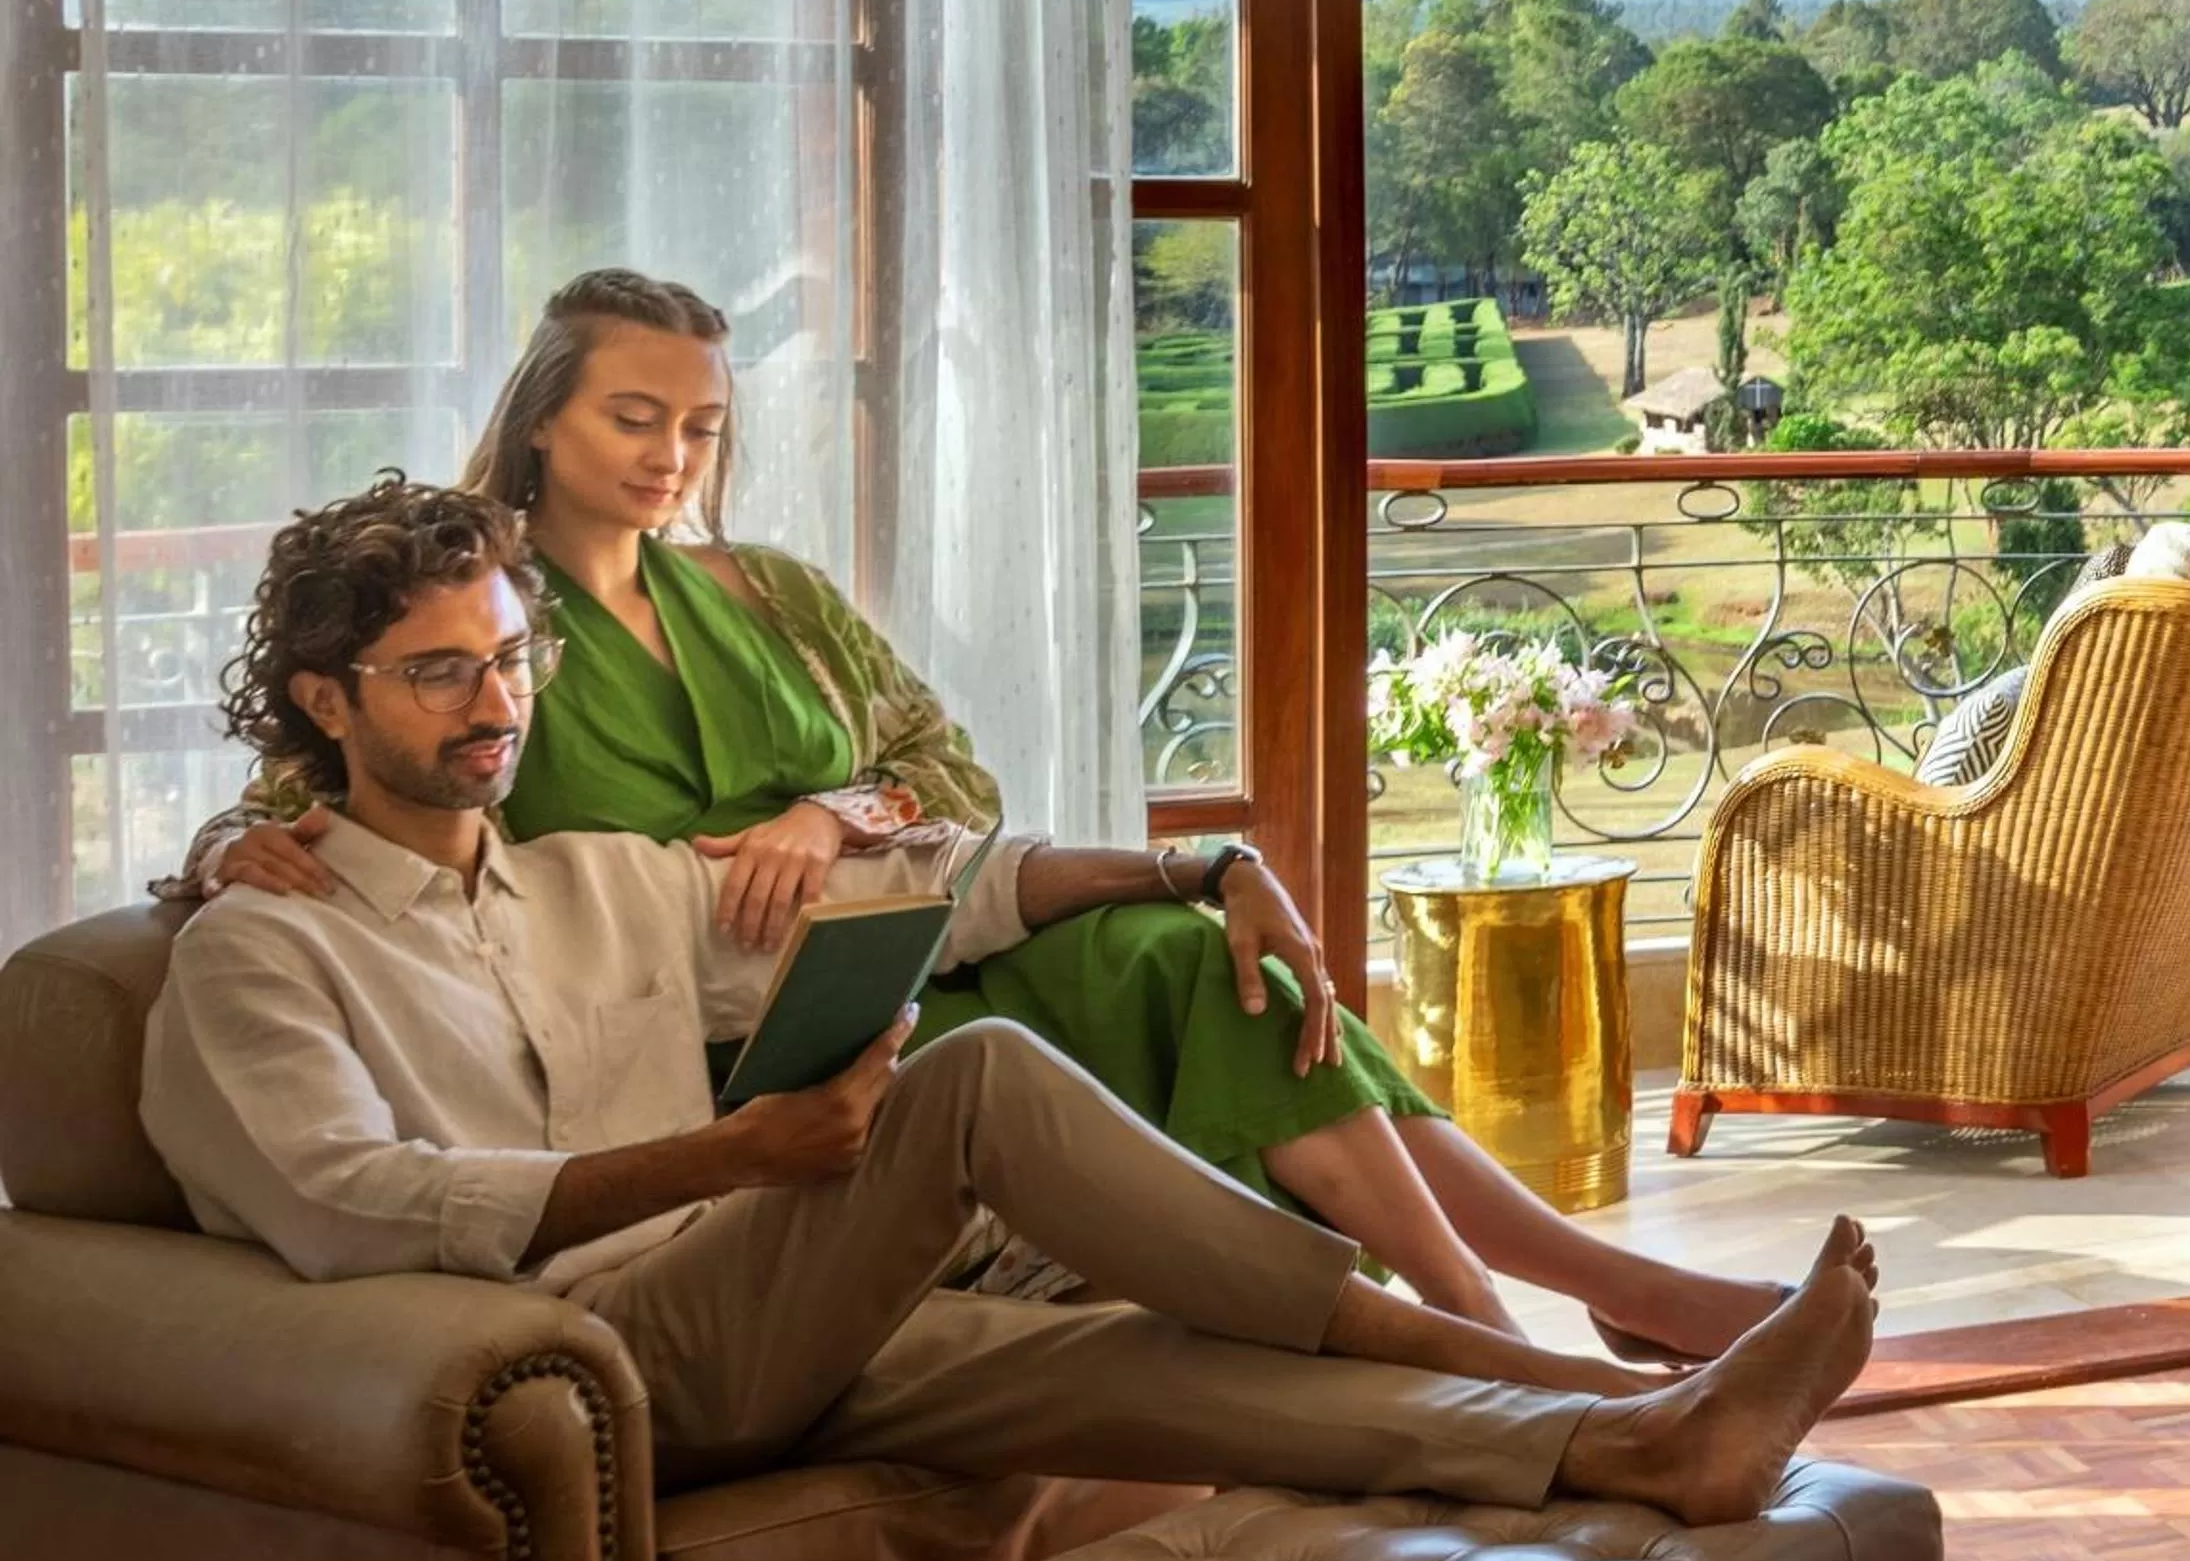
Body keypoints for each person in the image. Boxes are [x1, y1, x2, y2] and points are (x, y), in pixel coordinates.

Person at [139, 477, 1877, 1524]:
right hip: (598, 1364)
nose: (494, 703)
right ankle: (1522, 1355)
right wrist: (737, 1157)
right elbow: (354, 1205)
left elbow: (936, 886)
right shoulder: (262, 945)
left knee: (1155, 1367)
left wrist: (1189, 866)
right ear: (324, 699)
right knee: (972, 1079)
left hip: (781, 1320)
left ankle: (1634, 1449)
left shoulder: (600, 881)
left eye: (512, 657)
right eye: (440, 671)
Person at [176, 268, 1787, 1363]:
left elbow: (947, 775)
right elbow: (326, 797)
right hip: (729, 1029)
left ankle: (1528, 1307)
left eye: (702, 426)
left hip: (901, 928)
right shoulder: (475, 635)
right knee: (1082, 1010)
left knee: (1194, 952)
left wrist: (827, 810)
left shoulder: (768, 591)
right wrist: (216, 858)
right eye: (633, 417)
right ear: (543, 417)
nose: (672, 454)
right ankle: (1510, 1333)